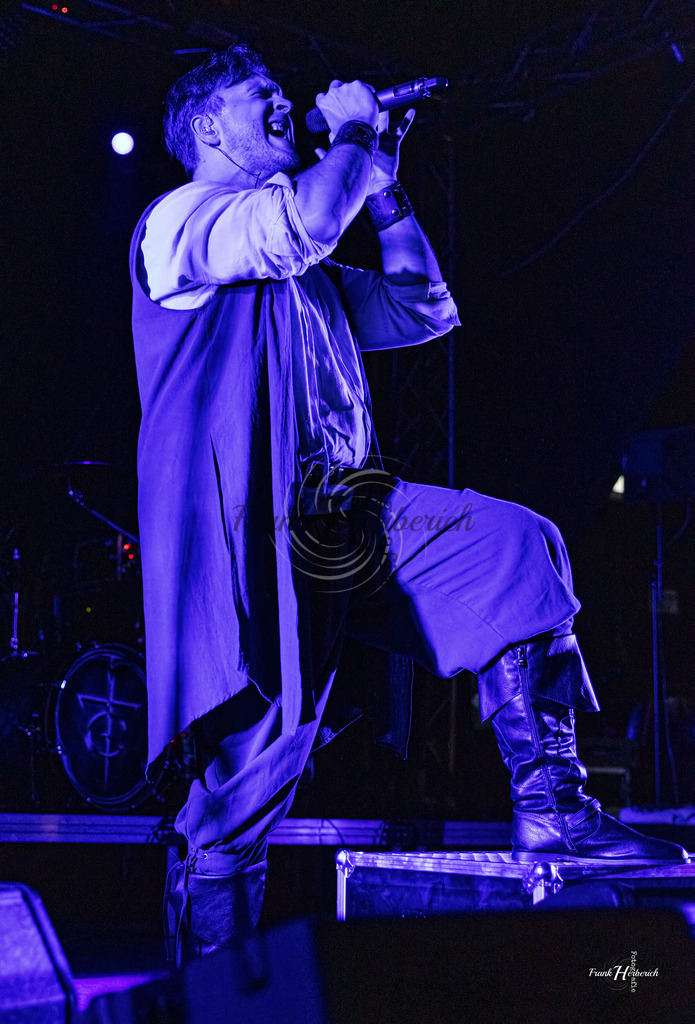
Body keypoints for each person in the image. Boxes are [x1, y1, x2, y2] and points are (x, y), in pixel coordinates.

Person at [130, 44, 687, 962]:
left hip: (351, 516)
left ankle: (553, 811)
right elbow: (304, 221)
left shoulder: (301, 272)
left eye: (281, 92)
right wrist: (347, 133)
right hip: (254, 538)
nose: (281, 102)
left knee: (513, 546)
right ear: (206, 127)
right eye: (258, 95)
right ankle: (210, 989)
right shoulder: (183, 221)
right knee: (242, 787)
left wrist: (382, 186)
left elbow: (420, 306)